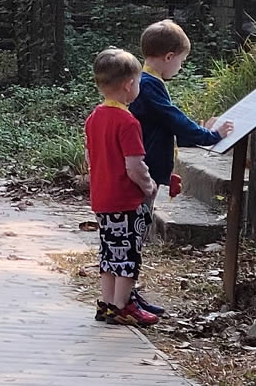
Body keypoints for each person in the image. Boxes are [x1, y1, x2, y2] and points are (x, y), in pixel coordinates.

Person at [127, 18, 234, 316]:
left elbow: (162, 128)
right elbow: (175, 120)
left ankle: (129, 294)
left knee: (138, 233)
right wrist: (212, 135)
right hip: (143, 174)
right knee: (135, 235)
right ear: (169, 57)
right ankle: (125, 297)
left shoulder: (146, 81)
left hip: (151, 169)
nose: (181, 68)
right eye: (182, 61)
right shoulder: (149, 85)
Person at [84, 47, 160, 326]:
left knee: (108, 252)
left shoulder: (94, 117)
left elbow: (90, 155)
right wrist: (149, 185)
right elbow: (134, 166)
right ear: (129, 85)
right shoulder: (128, 122)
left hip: (102, 199)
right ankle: (123, 305)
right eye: (139, 82)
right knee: (128, 254)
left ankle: (107, 303)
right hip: (126, 201)